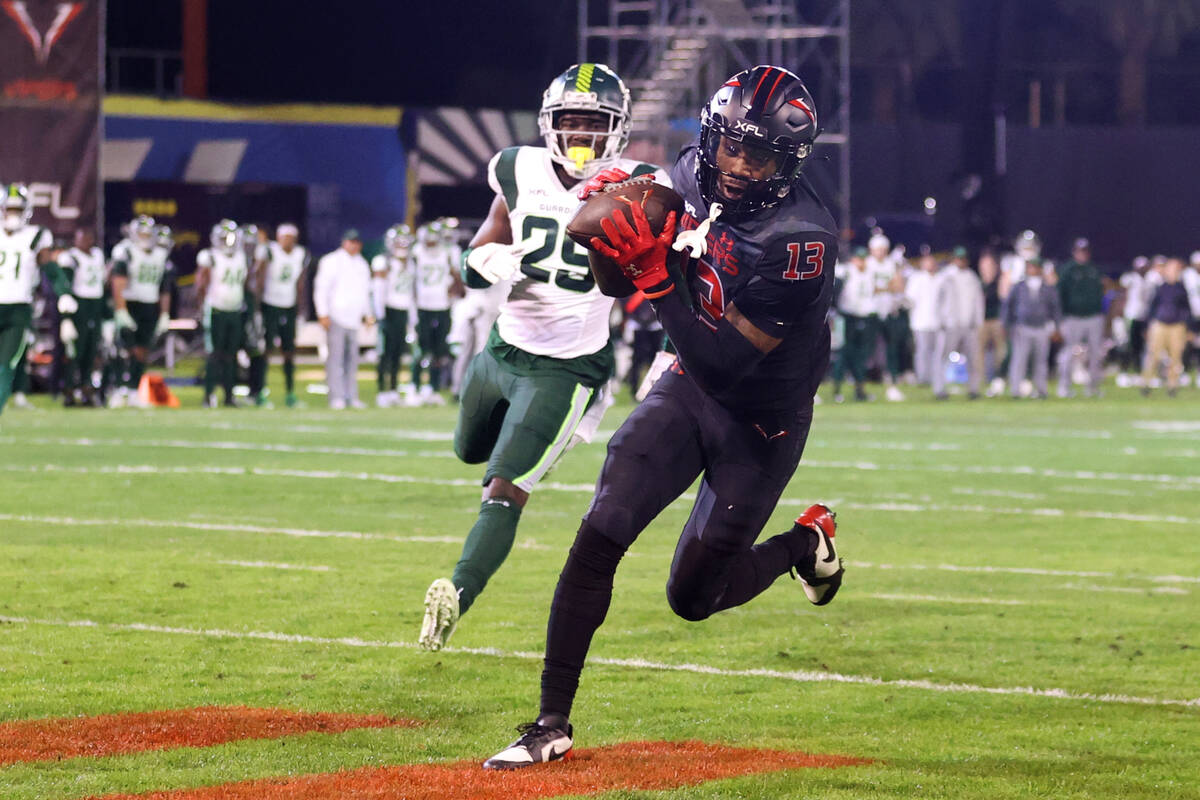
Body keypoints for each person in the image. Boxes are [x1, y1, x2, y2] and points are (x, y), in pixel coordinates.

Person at [482, 64, 844, 770]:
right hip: (688, 385)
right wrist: (608, 201)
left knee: (692, 598)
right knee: (602, 529)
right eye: (729, 146)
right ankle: (551, 721)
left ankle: (805, 544)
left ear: (788, 161)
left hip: (758, 417)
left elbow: (723, 363)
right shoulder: (694, 167)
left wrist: (654, 280)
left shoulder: (800, 242)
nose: (736, 166)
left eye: (758, 153)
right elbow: (641, 227)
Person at [417, 62, 667, 652]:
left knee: (504, 487)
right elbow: (479, 251)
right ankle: (509, 439)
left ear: (619, 129)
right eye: (572, 124)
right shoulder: (515, 167)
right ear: (549, 124)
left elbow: (670, 276)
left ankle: (457, 594)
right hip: (502, 350)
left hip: (568, 365)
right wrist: (479, 262)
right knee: (468, 450)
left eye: (594, 125)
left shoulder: (640, 183)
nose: (581, 138)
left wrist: (670, 346)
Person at [0, 183, 69, 417]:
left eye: (17, 209)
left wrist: (64, 292)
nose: (12, 214)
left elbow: (49, 266)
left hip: (18, 307)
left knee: (6, 365)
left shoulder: (35, 235)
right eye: (9, 209)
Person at [109, 215, 173, 407]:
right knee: (123, 350)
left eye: (147, 233)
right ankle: (120, 390)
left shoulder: (160, 255)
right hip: (130, 303)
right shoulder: (125, 251)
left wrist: (164, 313)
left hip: (149, 305)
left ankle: (134, 390)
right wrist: (121, 309)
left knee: (142, 351)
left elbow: (164, 288)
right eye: (141, 232)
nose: (145, 236)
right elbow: (117, 281)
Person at [313, 229, 373, 409]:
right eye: (350, 241)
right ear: (344, 242)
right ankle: (336, 396)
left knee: (352, 360)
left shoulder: (362, 264)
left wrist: (367, 314)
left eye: (356, 242)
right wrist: (322, 312)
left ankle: (351, 395)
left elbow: (365, 293)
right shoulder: (331, 261)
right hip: (336, 316)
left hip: (354, 319)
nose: (353, 245)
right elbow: (321, 288)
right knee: (336, 359)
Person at [196, 220, 251, 407]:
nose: (228, 242)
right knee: (214, 354)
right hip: (216, 310)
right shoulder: (210, 256)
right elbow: (201, 284)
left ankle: (229, 396)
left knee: (231, 355)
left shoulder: (242, 257)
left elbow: (244, 283)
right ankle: (209, 395)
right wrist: (202, 307)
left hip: (234, 310)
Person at [256, 222, 309, 407]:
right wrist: (257, 308)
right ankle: (260, 392)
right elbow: (259, 279)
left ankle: (290, 393)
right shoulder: (269, 252)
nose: (287, 241)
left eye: (291, 237)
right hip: (270, 305)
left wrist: (301, 310)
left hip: (289, 306)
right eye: (284, 237)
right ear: (278, 238)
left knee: (289, 352)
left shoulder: (300, 254)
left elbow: (300, 283)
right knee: (266, 350)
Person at [409, 221, 462, 405]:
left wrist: (454, 293)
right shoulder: (416, 251)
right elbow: (411, 278)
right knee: (421, 349)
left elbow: (457, 275)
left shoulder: (449, 252)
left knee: (440, 351)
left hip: (442, 306)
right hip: (422, 307)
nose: (430, 243)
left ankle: (433, 387)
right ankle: (414, 386)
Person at [57, 228, 106, 406]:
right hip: (78, 307)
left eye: (89, 236)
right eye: (82, 237)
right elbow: (65, 288)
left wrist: (106, 314)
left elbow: (102, 284)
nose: (86, 240)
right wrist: (66, 318)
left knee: (91, 351)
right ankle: (69, 390)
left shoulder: (98, 255)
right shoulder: (70, 257)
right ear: (75, 239)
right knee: (73, 351)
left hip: (95, 305)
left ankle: (86, 388)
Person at [1003, 257, 1060, 399]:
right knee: (1019, 360)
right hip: (1022, 327)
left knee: (1040, 361)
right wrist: (1006, 324)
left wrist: (1056, 327)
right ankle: (1015, 390)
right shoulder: (1018, 287)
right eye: (1030, 267)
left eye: (1035, 267)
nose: (1032, 270)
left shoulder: (1048, 288)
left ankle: (1041, 390)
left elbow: (1055, 308)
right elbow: (1008, 306)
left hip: (1041, 327)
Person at [931, 246, 984, 400]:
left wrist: (977, 320)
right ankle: (939, 389)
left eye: (963, 258)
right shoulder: (945, 276)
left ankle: (973, 389)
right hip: (949, 323)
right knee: (942, 357)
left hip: (968, 324)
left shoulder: (972, 277)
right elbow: (937, 300)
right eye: (958, 258)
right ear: (953, 259)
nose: (960, 261)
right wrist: (940, 320)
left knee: (974, 358)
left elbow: (978, 301)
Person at [1055, 238, 1105, 397]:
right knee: (1068, 353)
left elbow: (1099, 292)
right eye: (1079, 251)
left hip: (1093, 317)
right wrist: (1061, 317)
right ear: (1074, 252)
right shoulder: (1067, 270)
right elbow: (1059, 294)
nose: (1082, 254)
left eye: (1085, 251)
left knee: (1096, 354)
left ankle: (1093, 387)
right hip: (1073, 317)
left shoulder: (1093, 270)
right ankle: (1064, 386)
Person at [373, 223, 415, 407]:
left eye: (404, 243)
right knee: (385, 353)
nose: (402, 247)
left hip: (402, 311)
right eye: (399, 243)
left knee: (398, 354)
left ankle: (393, 389)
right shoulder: (383, 262)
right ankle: (382, 391)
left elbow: (412, 292)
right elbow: (378, 290)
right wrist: (380, 314)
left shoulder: (412, 264)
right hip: (388, 311)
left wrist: (412, 319)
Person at [1140, 257, 1192, 396]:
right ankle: (1146, 382)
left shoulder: (1181, 288)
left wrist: (1188, 327)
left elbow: (1187, 309)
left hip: (1177, 326)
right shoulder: (1160, 287)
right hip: (1160, 325)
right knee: (1153, 355)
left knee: (1175, 357)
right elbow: (1152, 307)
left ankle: (1172, 385)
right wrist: (1147, 326)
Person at [866, 231, 907, 401]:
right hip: (870, 311)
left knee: (891, 349)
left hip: (888, 311)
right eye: (877, 249)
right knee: (866, 350)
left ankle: (892, 384)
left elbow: (898, 286)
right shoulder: (867, 264)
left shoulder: (891, 264)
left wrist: (883, 287)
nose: (881, 252)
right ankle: (861, 386)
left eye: (883, 249)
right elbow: (870, 287)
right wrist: (886, 286)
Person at [829, 247, 874, 401]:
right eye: (859, 258)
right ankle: (837, 389)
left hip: (863, 317)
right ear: (853, 259)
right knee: (843, 353)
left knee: (861, 356)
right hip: (846, 317)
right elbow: (833, 287)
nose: (861, 262)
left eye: (863, 258)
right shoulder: (845, 272)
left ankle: (860, 390)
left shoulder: (869, 273)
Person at [904, 249, 941, 385]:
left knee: (937, 353)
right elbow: (910, 299)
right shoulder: (917, 279)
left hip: (938, 322)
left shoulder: (940, 279)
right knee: (922, 351)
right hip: (921, 322)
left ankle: (935, 377)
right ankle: (923, 378)